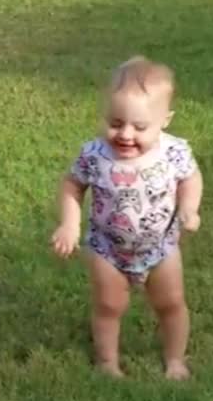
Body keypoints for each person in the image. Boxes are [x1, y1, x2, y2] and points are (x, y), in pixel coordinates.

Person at [49, 56, 204, 380]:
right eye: (115, 122)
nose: (125, 134)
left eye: (140, 126)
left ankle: (175, 360)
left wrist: (189, 207)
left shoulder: (174, 152)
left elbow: (190, 178)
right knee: (109, 306)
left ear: (165, 120)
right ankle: (108, 363)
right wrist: (69, 223)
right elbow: (72, 185)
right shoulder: (94, 154)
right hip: (108, 248)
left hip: (160, 247)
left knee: (171, 304)